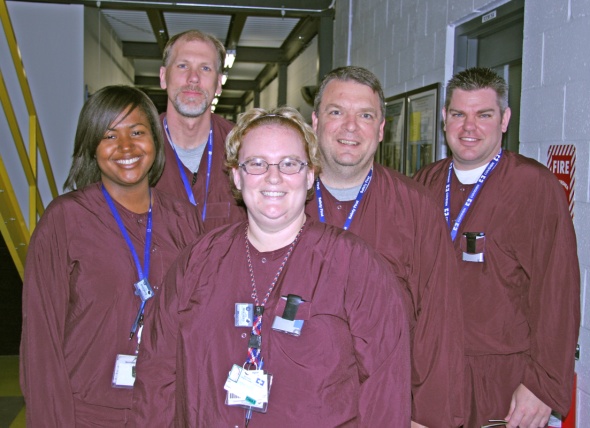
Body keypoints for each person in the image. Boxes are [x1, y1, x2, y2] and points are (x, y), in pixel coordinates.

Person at [132, 106, 411, 427]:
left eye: (290, 164)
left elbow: (386, 388)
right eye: (257, 163)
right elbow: (156, 372)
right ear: (237, 175)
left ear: (310, 175)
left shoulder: (354, 265)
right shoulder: (199, 261)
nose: (273, 177)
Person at [19, 85, 203, 427]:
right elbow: (40, 340)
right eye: (109, 135)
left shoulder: (185, 220)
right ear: (92, 146)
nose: (126, 147)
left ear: (155, 140)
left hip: (165, 412)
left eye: (137, 132)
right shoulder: (65, 220)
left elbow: (201, 327)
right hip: (86, 413)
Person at [414, 67, 580, 428]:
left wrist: (542, 385)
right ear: (444, 119)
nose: (469, 127)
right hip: (432, 373)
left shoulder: (533, 186)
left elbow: (559, 292)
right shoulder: (422, 185)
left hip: (504, 380)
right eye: (459, 114)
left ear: (504, 120)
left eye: (483, 115)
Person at [306, 66, 464, 427]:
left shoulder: (416, 208)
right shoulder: (281, 200)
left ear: (381, 129)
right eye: (336, 112)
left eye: (365, 115)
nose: (350, 126)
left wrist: (426, 416)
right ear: (315, 121)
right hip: (299, 402)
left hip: (387, 407)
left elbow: (439, 320)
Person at [155, 29, 247, 232]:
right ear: (163, 76)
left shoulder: (245, 147)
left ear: (219, 83)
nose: (193, 78)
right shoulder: (137, 147)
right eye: (182, 66)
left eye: (205, 68)